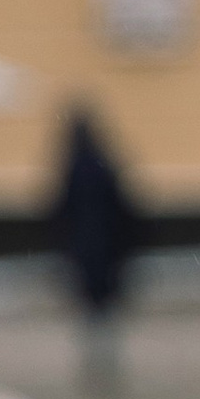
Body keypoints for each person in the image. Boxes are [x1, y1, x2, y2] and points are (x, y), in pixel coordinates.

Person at [48, 105, 140, 383]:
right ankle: (104, 361)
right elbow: (127, 209)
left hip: (84, 250)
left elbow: (58, 211)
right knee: (105, 309)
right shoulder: (104, 164)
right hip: (107, 249)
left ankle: (96, 362)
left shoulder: (71, 167)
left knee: (90, 309)